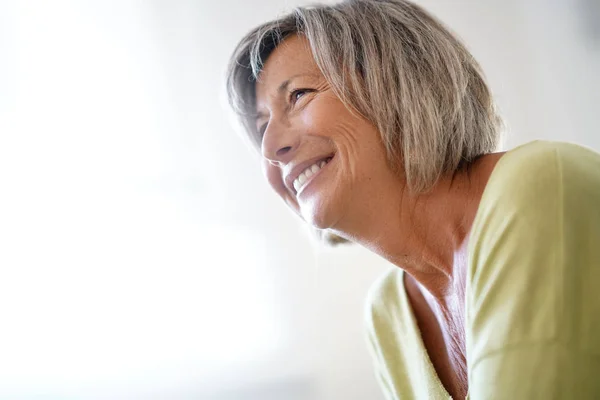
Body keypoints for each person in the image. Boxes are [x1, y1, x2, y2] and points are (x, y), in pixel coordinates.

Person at [225, 0, 600, 398]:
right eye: (262, 127)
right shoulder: (388, 310)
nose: (270, 147)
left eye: (299, 95)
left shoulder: (539, 184)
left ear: (396, 85)